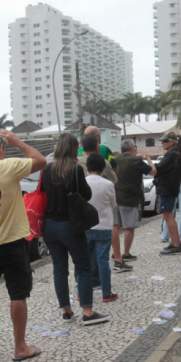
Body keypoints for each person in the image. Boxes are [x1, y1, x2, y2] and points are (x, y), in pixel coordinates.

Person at [0, 129, 47, 361]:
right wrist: (18, 141)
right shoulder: (8, 167)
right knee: (17, 294)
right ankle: (19, 347)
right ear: (1, 149)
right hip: (13, 242)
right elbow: (40, 160)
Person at [41, 133, 109, 326]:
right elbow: (86, 195)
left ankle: (66, 310)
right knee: (83, 267)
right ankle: (88, 312)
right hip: (69, 225)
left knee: (59, 268)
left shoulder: (47, 169)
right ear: (73, 149)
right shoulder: (76, 169)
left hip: (49, 225)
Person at [80, 154, 119, 302]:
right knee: (103, 260)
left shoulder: (82, 182)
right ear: (103, 168)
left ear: (87, 168)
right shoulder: (108, 184)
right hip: (104, 226)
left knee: (84, 262)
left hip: (86, 226)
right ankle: (106, 293)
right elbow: (113, 204)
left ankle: (82, 292)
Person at [113, 139, 155, 263]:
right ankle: (125, 253)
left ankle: (115, 253)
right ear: (131, 148)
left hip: (116, 198)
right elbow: (153, 171)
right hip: (130, 198)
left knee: (115, 226)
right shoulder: (136, 161)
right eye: (135, 147)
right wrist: (148, 159)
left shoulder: (115, 159)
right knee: (129, 227)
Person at [155, 133, 181, 254]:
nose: (162, 143)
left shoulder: (171, 155)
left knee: (168, 216)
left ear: (172, 142)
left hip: (167, 188)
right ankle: (176, 242)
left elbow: (158, 169)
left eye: (165, 141)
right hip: (171, 187)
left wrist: (149, 161)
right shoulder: (178, 154)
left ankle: (176, 244)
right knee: (170, 216)